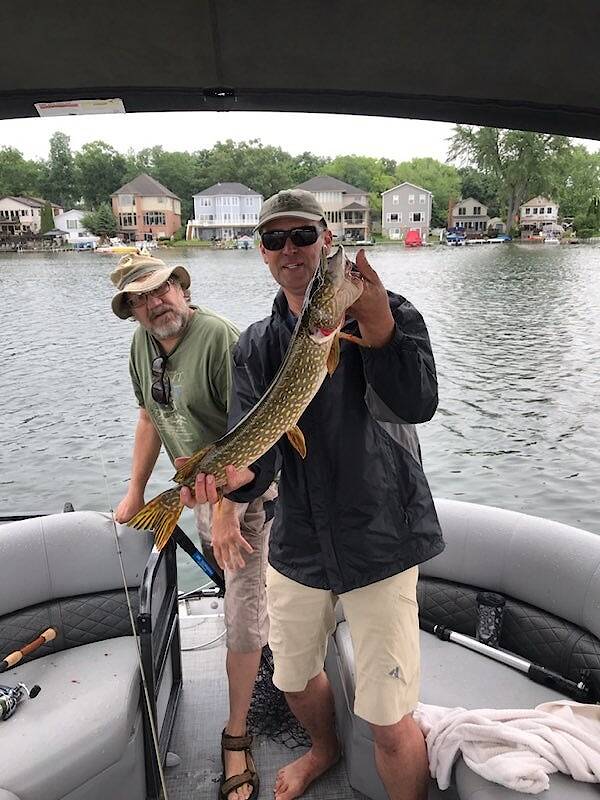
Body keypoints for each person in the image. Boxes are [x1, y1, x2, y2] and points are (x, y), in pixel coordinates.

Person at [182, 189, 445, 800]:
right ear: (263, 254)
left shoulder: (391, 313)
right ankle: (323, 748)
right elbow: (261, 450)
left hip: (380, 532)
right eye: (276, 239)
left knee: (388, 719)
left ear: (326, 240)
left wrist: (377, 327)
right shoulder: (255, 344)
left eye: (304, 236)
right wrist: (226, 479)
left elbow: (418, 404)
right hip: (297, 537)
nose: (292, 249)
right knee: (295, 677)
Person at [110, 252, 276, 800]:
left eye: (161, 290)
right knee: (236, 594)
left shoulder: (221, 339)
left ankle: (236, 735)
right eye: (140, 299)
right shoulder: (143, 344)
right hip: (200, 489)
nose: (155, 303)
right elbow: (149, 416)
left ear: (181, 286)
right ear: (131, 310)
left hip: (243, 490)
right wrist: (136, 488)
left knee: (243, 615)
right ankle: (258, 659)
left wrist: (229, 511)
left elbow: (251, 433)